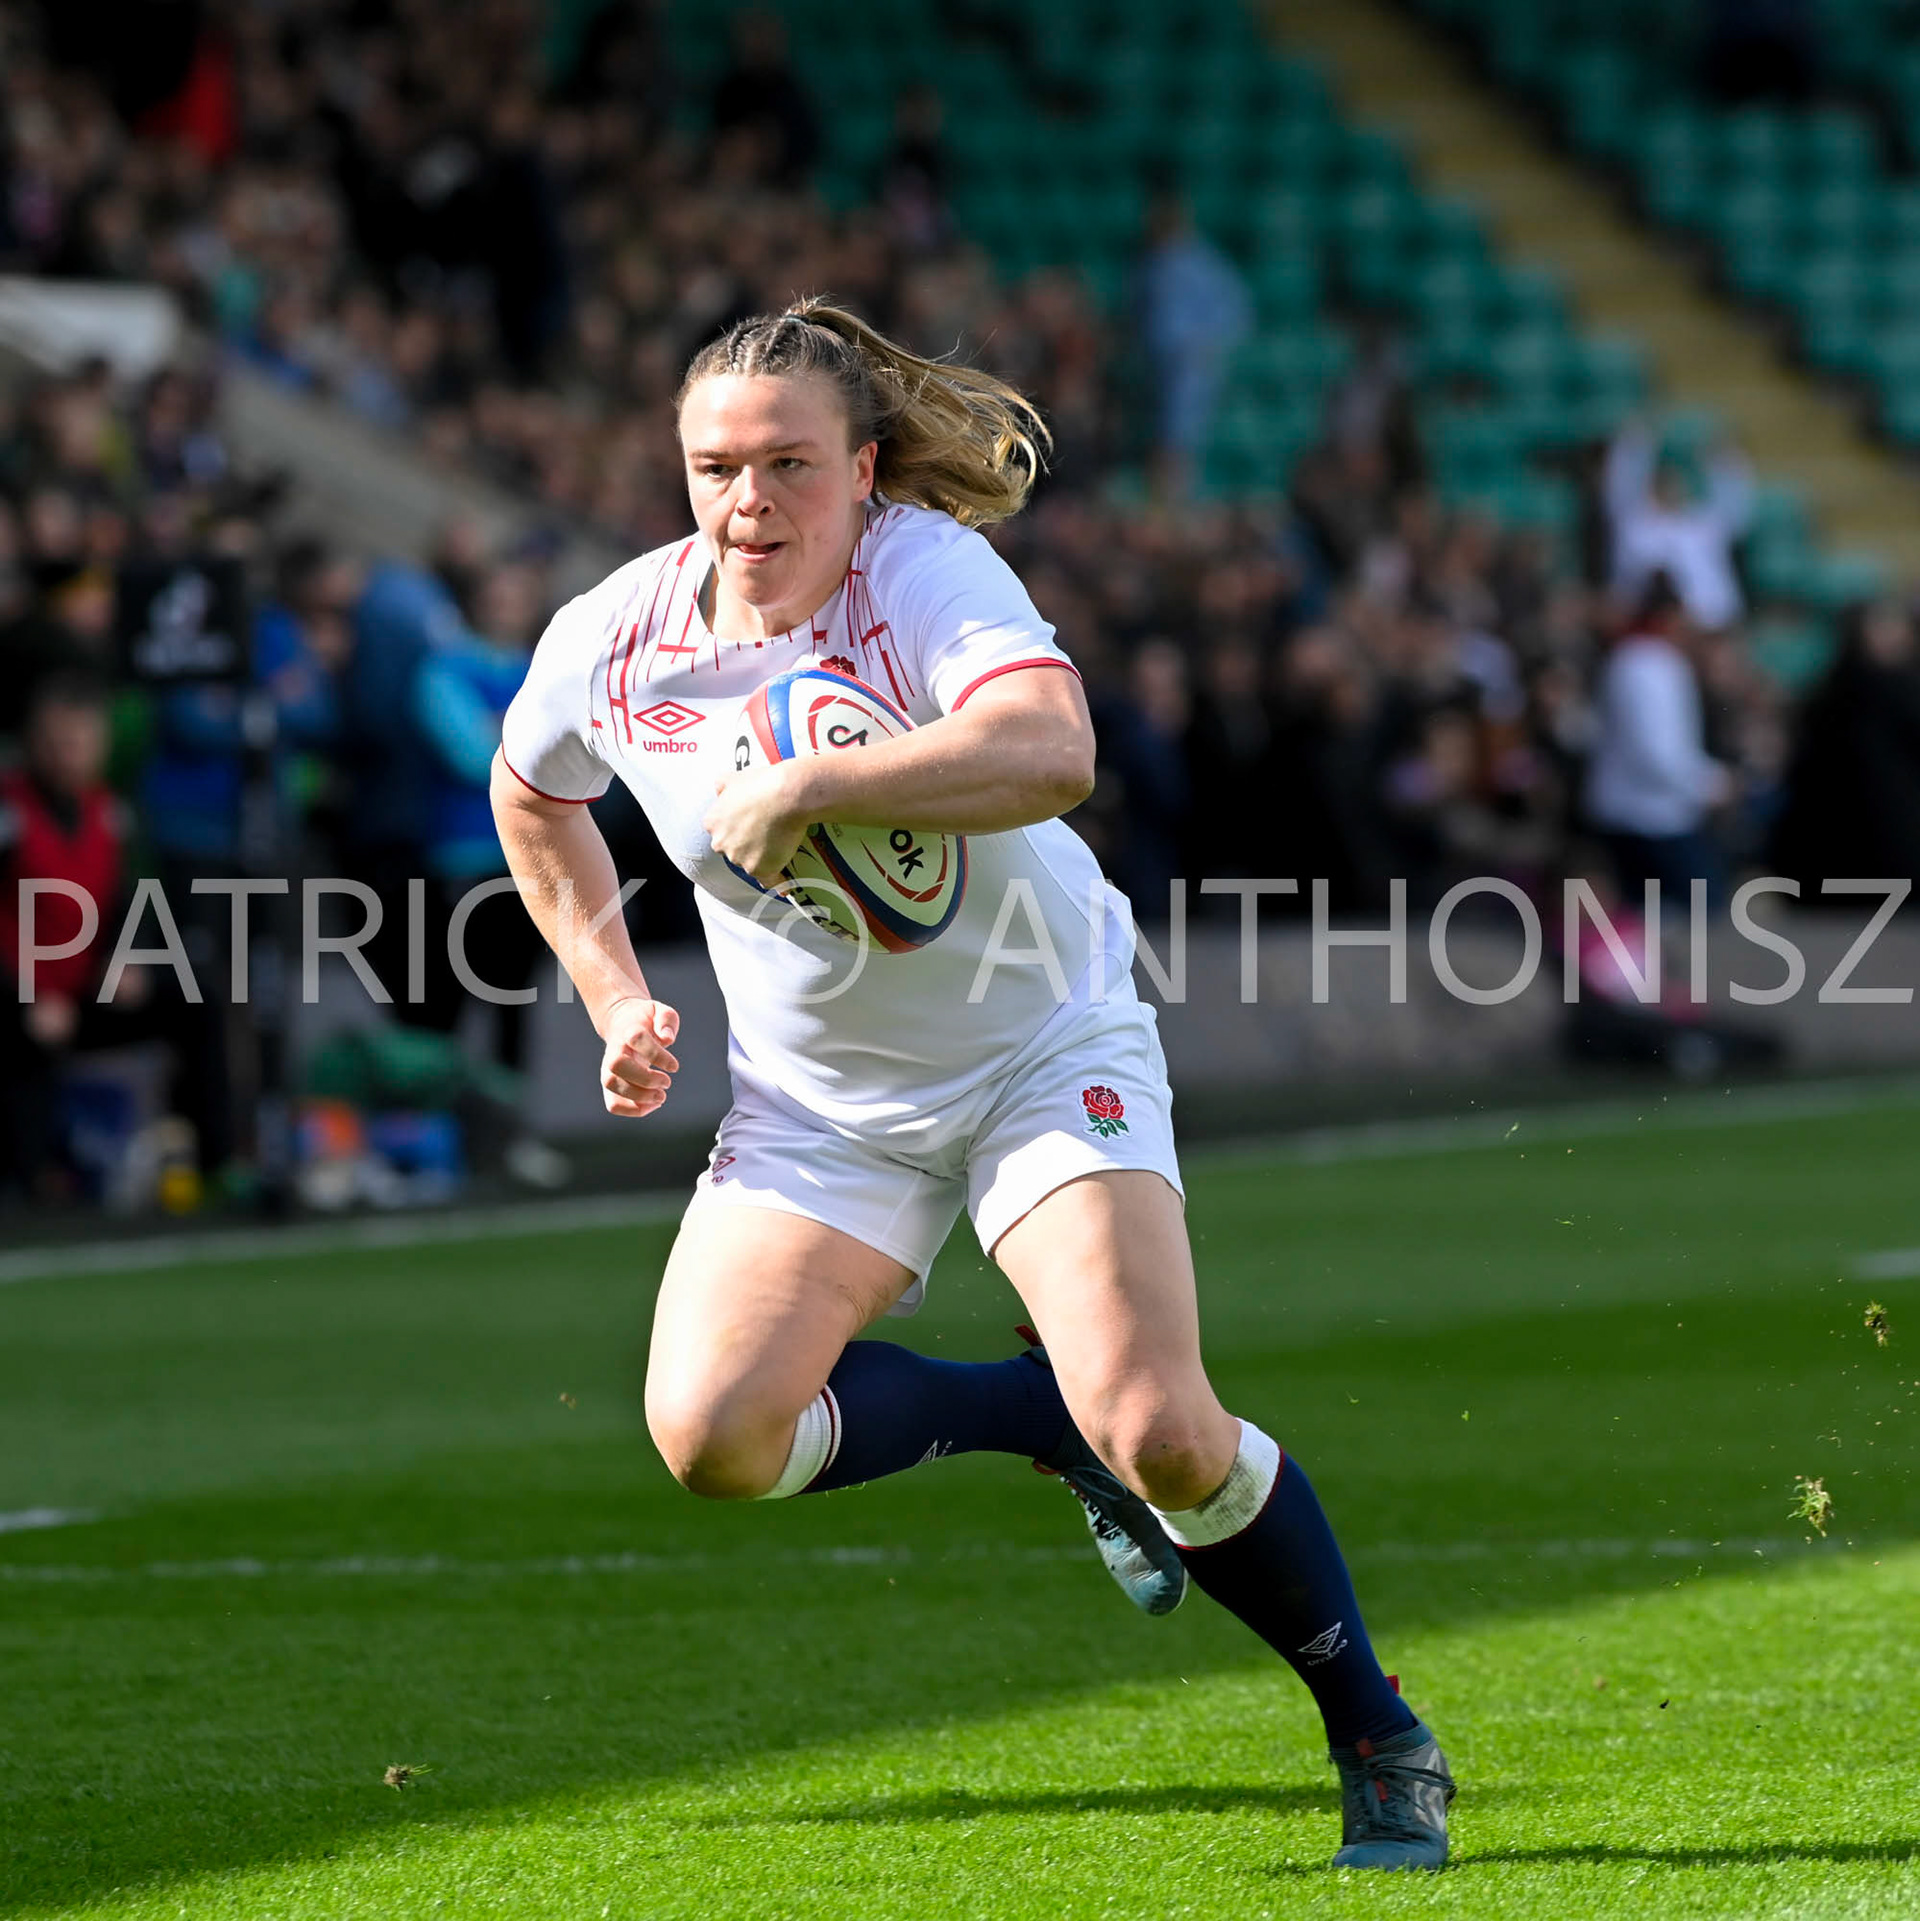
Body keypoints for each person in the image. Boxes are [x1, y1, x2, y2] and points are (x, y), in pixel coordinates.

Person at [491, 301, 1454, 1872]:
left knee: (1165, 1430)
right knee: (717, 1435)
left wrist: (814, 781)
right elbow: (531, 792)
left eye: (791, 464)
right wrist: (616, 994)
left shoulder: (921, 572)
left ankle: (1375, 1732)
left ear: (865, 470)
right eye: (716, 467)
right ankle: (1029, 1414)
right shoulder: (617, 631)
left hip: (1036, 1046)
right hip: (820, 1100)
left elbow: (1052, 744)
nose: (751, 504)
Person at [1584, 571, 1733, 905]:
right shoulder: (1648, 665)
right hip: (1649, 815)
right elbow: (1654, 753)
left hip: (1645, 809)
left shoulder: (1638, 660)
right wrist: (1709, 784)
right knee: (1700, 905)